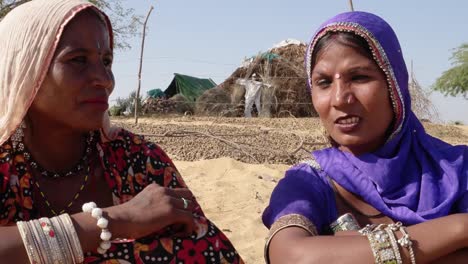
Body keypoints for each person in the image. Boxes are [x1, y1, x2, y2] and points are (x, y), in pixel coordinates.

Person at [0, 0, 243, 263]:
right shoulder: (5, 164)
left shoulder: (138, 161)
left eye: (106, 61)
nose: (105, 79)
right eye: (78, 60)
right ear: (24, 70)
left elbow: (204, 247)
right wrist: (114, 220)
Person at [262, 11, 468, 263]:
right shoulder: (308, 182)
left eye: (359, 77)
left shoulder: (457, 169)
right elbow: (293, 257)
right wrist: (459, 228)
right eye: (324, 82)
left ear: (394, 85)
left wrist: (356, 250)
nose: (339, 99)